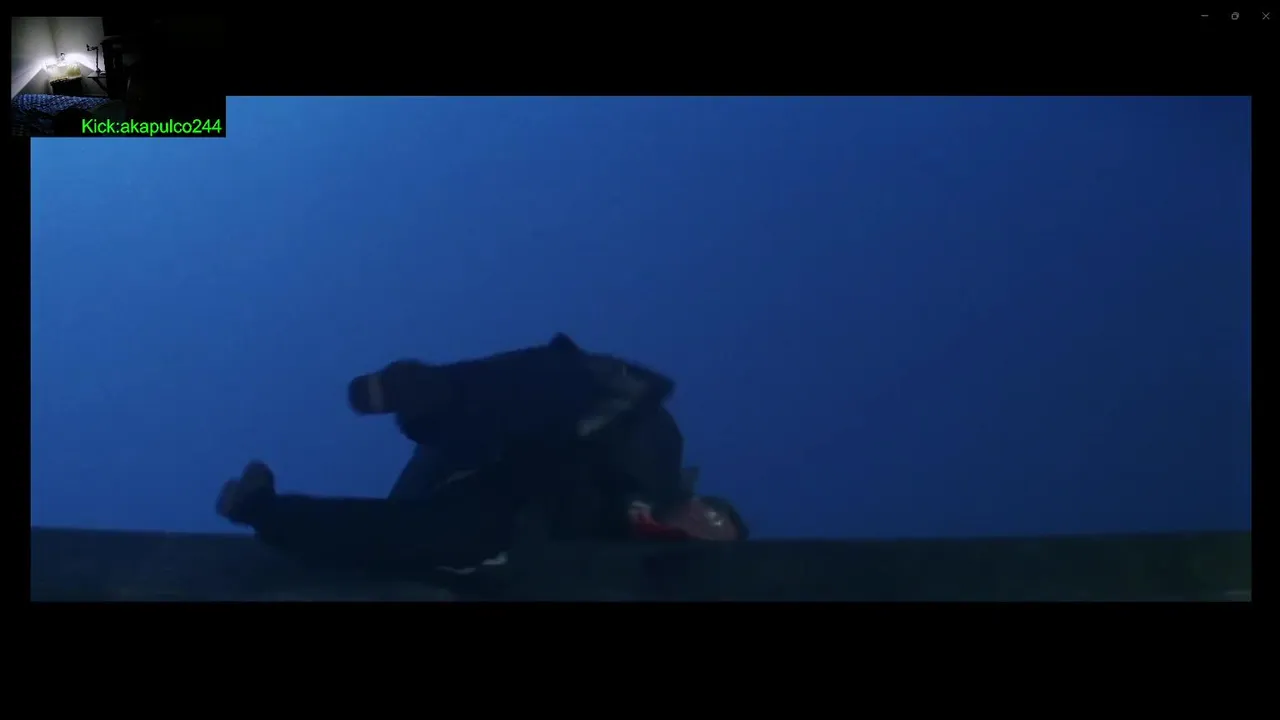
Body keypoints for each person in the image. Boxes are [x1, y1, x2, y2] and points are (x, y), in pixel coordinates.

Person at [217, 334, 747, 579]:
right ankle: (435, 393)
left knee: (452, 534)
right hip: (535, 448)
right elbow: (621, 397)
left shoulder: (634, 553)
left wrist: (265, 513)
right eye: (716, 514)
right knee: (584, 393)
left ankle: (262, 508)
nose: (708, 523)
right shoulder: (657, 458)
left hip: (509, 514)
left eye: (717, 532)